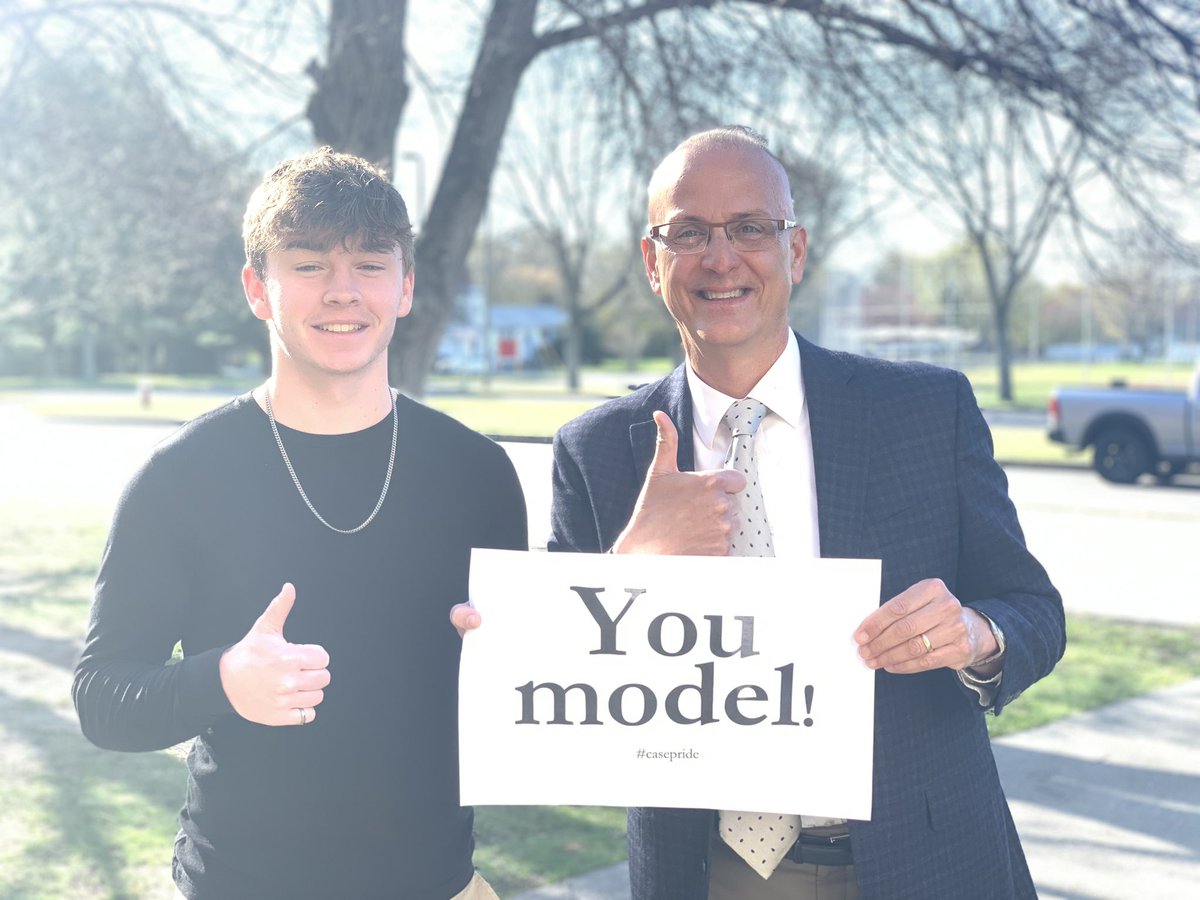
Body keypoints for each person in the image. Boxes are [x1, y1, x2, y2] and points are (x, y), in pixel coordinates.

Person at [545, 127, 1065, 899]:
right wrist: (631, 567)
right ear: (654, 264)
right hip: (710, 871)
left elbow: (1034, 613)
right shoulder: (598, 452)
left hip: (930, 856)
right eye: (688, 233)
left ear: (795, 250)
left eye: (751, 228)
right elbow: (553, 684)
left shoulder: (926, 409)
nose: (721, 258)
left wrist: (976, 635)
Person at [73, 148, 527, 900]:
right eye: (310, 264)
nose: (344, 292)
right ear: (258, 288)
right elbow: (102, 698)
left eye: (371, 265)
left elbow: (524, 686)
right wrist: (221, 679)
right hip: (240, 885)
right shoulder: (180, 477)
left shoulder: (476, 472)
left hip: (439, 884)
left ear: (407, 286)